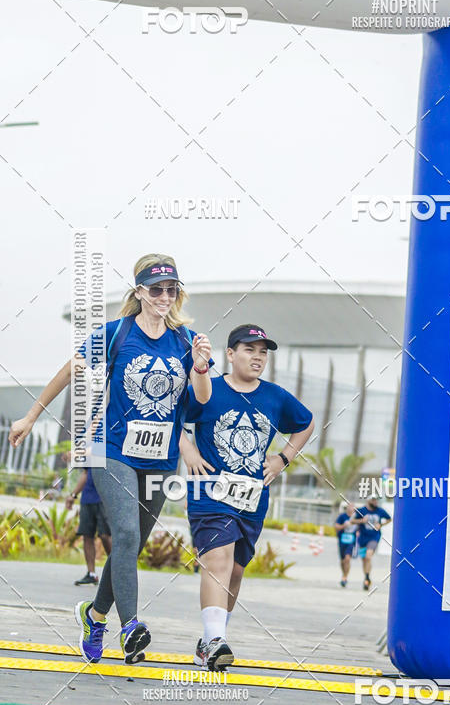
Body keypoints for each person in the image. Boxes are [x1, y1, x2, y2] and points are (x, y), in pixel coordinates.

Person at [9, 253, 213, 665]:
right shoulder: (116, 332)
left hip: (160, 458)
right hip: (110, 449)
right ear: (140, 291)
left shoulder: (187, 341)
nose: (164, 296)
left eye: (171, 289)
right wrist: (31, 415)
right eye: (156, 289)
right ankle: (130, 626)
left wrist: (201, 368)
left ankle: (95, 614)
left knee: (129, 545)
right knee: (125, 533)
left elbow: (202, 402)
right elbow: (69, 371)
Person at [180, 324, 314, 672]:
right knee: (218, 561)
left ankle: (209, 642)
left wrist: (283, 458)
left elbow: (306, 423)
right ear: (230, 354)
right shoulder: (209, 388)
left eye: (263, 353)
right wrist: (188, 450)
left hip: (252, 499)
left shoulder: (275, 396)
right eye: (249, 350)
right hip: (210, 492)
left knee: (236, 571)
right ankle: (215, 640)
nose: (257, 358)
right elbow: (173, 416)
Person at [66, 469, 112, 586]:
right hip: (87, 498)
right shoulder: (88, 457)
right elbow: (85, 473)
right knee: (87, 535)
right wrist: (73, 495)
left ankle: (117, 571)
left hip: (105, 498)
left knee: (105, 535)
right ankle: (91, 574)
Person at [350, 496, 392, 590]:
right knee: (364, 559)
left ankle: (367, 578)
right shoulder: (361, 510)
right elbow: (352, 521)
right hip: (363, 538)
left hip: (374, 537)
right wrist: (362, 521)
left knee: (368, 556)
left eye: (376, 500)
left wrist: (381, 524)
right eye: (373, 500)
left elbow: (389, 519)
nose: (375, 502)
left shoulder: (380, 511)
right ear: (368, 501)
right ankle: (366, 577)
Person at [334, 501, 358, 588]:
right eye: (349, 507)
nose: (351, 508)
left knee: (347, 559)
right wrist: (343, 526)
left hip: (351, 541)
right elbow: (336, 526)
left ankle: (345, 577)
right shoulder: (342, 516)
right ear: (347, 508)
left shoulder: (356, 517)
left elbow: (361, 526)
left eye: (352, 507)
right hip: (342, 540)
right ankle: (343, 574)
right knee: (342, 561)